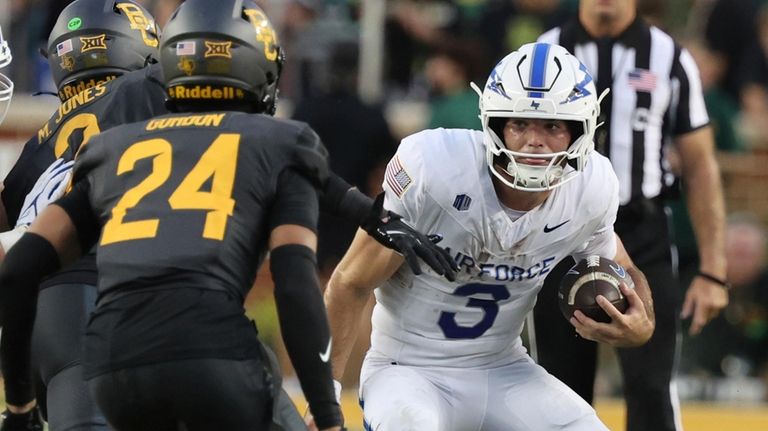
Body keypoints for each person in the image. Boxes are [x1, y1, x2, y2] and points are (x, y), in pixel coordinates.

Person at [0, 1, 456, 430]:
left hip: (80, 333)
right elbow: (291, 253)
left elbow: (17, 259)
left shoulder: (61, 145)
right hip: (178, 323)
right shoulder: (155, 94)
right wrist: (324, 405)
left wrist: (18, 401)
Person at [322, 42, 655, 431]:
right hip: (409, 370)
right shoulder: (435, 170)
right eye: (519, 124)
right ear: (493, 125)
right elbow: (349, 283)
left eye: (552, 126)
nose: (534, 140)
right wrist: (322, 395)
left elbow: (621, 265)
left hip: (503, 368)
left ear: (580, 131)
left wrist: (642, 321)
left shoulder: (591, 187)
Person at [531, 1, 729, 430]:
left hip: (642, 230)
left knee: (651, 386)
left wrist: (714, 269)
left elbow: (700, 164)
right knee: (556, 388)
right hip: (559, 228)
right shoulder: (545, 51)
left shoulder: (669, 55)